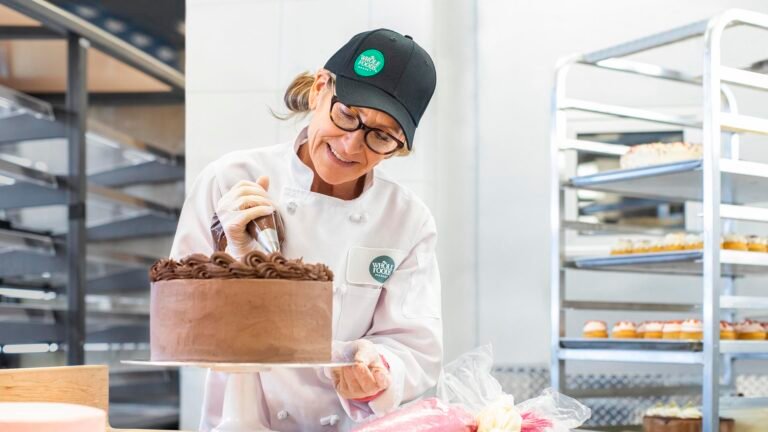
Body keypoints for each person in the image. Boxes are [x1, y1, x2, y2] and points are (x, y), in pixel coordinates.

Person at [170, 28, 441, 431]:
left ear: (398, 147)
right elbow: (179, 326)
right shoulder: (230, 179)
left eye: (381, 136)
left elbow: (415, 346)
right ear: (319, 90)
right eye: (347, 114)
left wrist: (380, 370)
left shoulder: (406, 220)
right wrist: (230, 260)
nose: (351, 146)